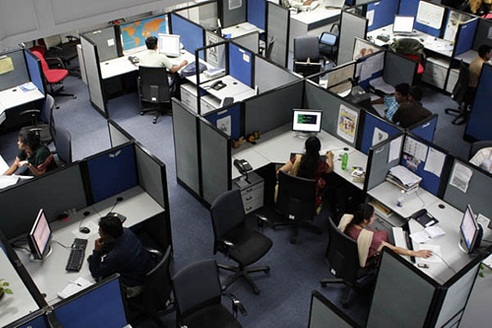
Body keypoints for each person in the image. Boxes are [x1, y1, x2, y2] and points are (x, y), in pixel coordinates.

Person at [339, 204, 433, 267]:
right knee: (383, 236)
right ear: (365, 220)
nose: (375, 218)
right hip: (363, 260)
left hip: (345, 252)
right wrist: (416, 253)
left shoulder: (347, 219)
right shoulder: (371, 238)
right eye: (373, 216)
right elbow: (395, 249)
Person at [87, 216, 153, 297]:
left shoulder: (114, 256)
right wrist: (102, 247)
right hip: (147, 270)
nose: (99, 233)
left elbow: (95, 272)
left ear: (108, 236)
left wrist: (96, 251)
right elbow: (111, 245)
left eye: (100, 231)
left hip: (135, 284)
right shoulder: (126, 231)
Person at [277, 136, 334, 209]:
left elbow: (279, 172)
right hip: (310, 199)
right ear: (319, 149)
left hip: (293, 195)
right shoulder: (320, 164)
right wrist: (330, 157)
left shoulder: (298, 159)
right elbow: (330, 169)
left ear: (305, 147)